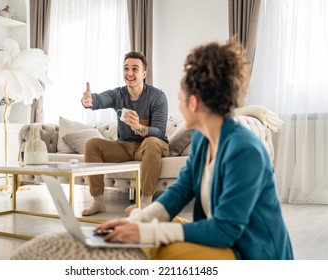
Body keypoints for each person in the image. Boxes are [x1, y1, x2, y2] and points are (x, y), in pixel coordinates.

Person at [93, 39, 294, 260]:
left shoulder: (246, 152)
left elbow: (224, 230)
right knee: (139, 218)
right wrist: (135, 223)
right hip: (220, 237)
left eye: (180, 100)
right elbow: (181, 190)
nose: (178, 106)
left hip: (250, 253)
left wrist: (146, 231)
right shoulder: (202, 140)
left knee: (161, 248)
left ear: (195, 104)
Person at [81, 51, 169, 216]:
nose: (129, 73)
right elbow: (100, 99)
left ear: (144, 74)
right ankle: (98, 201)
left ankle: (145, 201)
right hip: (125, 146)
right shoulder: (118, 94)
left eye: (135, 69)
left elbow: (159, 131)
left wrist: (139, 127)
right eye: (126, 68)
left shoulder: (158, 97)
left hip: (151, 146)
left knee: (150, 142)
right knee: (92, 144)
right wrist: (88, 101)